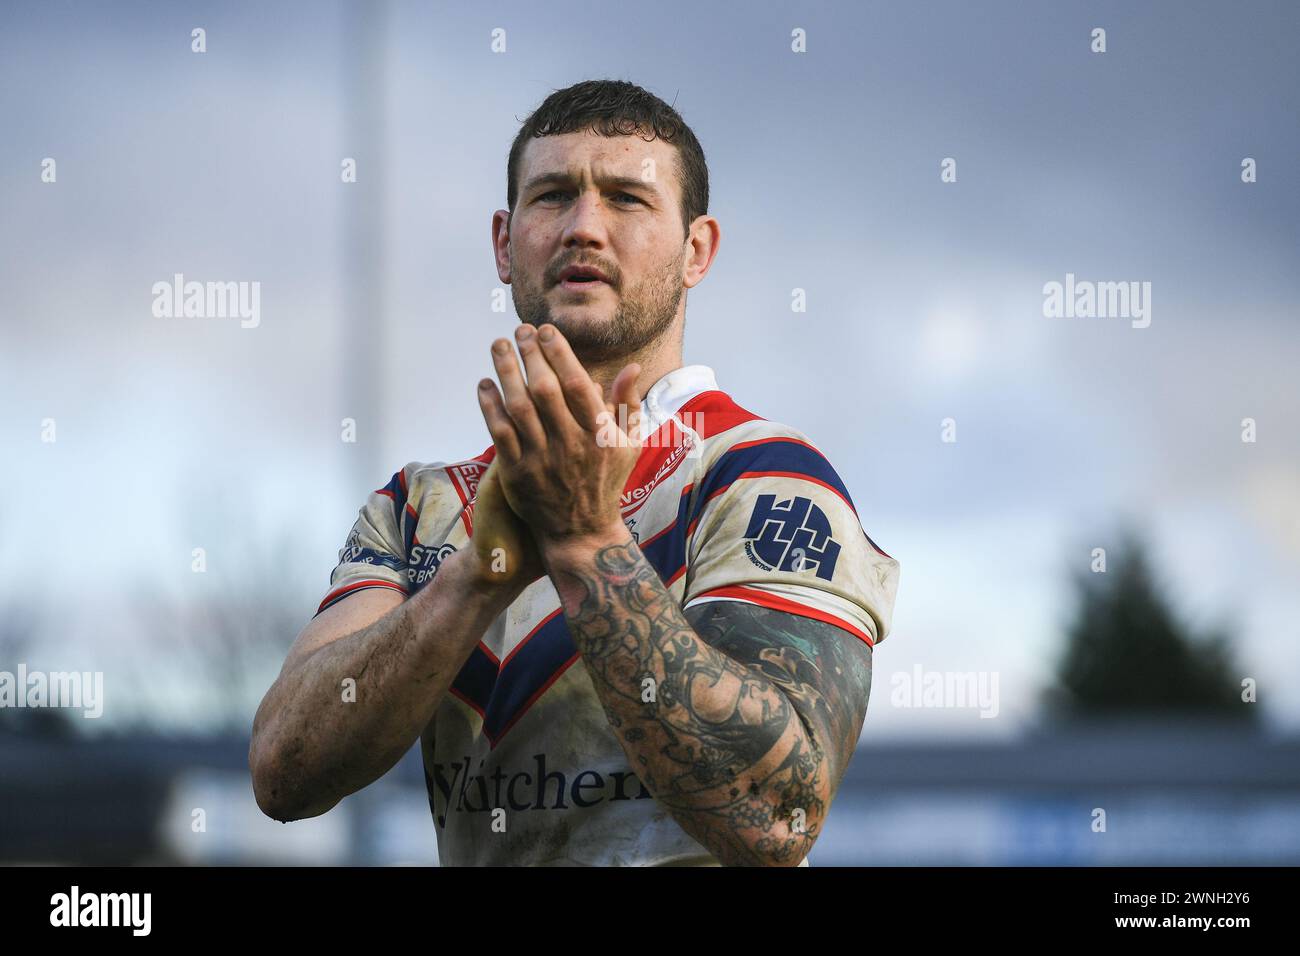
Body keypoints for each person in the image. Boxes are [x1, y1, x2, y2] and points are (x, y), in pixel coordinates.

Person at [250, 79, 900, 866]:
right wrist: (476, 579)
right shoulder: (418, 506)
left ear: (697, 251)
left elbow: (775, 813)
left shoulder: (764, 478)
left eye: (628, 198)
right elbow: (284, 776)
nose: (584, 227)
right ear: (503, 241)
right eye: (553, 195)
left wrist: (586, 539)